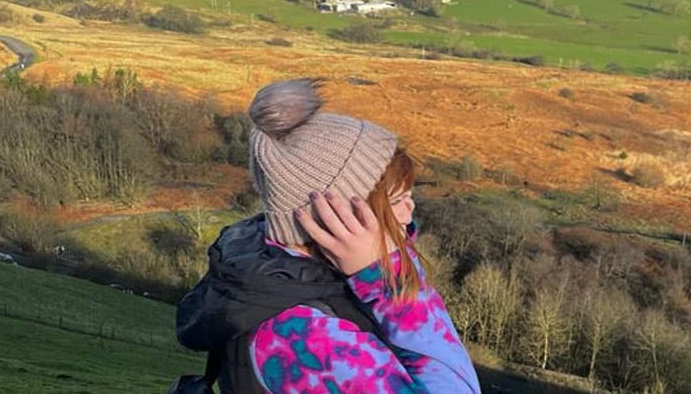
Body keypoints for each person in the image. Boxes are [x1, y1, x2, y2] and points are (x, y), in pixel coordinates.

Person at [174, 77, 481, 393]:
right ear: (332, 218)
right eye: (396, 201)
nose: (409, 213)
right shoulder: (304, 336)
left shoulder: (277, 272)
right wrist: (386, 280)